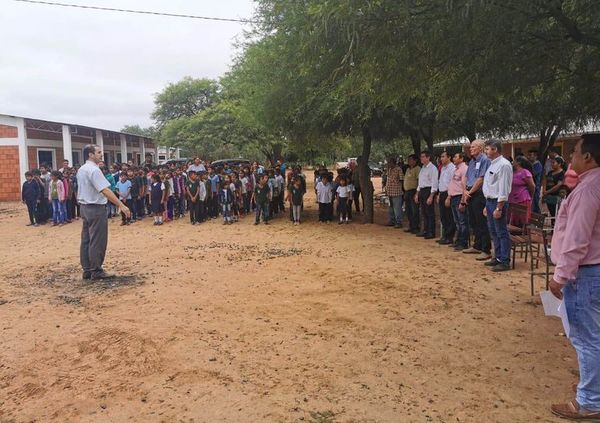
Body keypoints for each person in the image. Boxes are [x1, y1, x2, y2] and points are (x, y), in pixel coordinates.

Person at [548, 133, 600, 420]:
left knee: (586, 338)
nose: (571, 158)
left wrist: (561, 276)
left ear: (588, 157)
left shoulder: (588, 190)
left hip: (585, 273)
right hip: (593, 270)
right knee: (594, 335)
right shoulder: (591, 185)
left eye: (575, 153)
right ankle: (594, 386)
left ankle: (590, 400)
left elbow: (577, 239)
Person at [77, 144, 130, 280]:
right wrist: (121, 205)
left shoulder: (82, 169)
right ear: (90, 154)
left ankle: (87, 269)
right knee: (97, 240)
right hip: (95, 208)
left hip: (84, 207)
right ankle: (96, 270)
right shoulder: (94, 170)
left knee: (86, 239)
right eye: (99, 152)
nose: (101, 154)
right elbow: (105, 190)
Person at [481, 139, 513, 272]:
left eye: (487, 149)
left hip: (498, 202)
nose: (486, 151)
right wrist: (486, 205)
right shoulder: (492, 164)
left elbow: (503, 188)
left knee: (501, 231)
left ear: (495, 149)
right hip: (490, 201)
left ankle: (505, 260)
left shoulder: (504, 165)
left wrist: (499, 207)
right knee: (493, 231)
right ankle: (498, 257)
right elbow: (490, 185)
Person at [462, 139, 492, 261]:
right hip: (469, 192)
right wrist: (465, 190)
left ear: (480, 148)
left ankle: (486, 249)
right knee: (473, 221)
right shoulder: (472, 162)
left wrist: (470, 191)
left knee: (481, 222)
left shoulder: (485, 160)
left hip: (478, 193)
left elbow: (481, 179)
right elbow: (466, 177)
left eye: (473, 147)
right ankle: (477, 245)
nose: (471, 149)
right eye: (471, 147)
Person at [414, 151, 438, 239]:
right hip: (422, 191)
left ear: (428, 158)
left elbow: (434, 183)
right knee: (424, 212)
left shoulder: (433, 168)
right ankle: (425, 230)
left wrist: (431, 196)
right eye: (421, 157)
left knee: (430, 212)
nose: (421, 158)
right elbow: (420, 182)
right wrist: (417, 193)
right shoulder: (423, 168)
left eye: (423, 157)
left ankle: (431, 232)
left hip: (429, 190)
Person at [449, 152, 469, 250]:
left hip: (459, 197)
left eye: (455, 157)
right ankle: (458, 241)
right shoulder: (456, 169)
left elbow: (464, 186)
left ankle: (463, 242)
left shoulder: (464, 169)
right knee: (457, 221)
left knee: (462, 221)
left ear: (461, 159)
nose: (453, 158)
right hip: (453, 197)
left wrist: (463, 201)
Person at [508, 156, 535, 227]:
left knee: (523, 221)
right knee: (513, 221)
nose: (512, 162)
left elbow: (532, 186)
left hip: (522, 199)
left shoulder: (525, 172)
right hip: (512, 199)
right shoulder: (512, 172)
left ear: (519, 162)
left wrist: (530, 196)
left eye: (514, 161)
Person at [437, 151, 456, 244]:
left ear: (449, 157)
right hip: (442, 193)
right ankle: (445, 236)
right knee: (443, 216)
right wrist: (439, 194)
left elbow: (452, 183)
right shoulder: (443, 168)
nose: (441, 158)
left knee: (449, 216)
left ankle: (449, 237)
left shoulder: (452, 168)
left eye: (443, 156)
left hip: (449, 193)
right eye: (441, 157)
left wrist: (448, 197)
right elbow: (441, 182)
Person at [385, 157, 404, 229]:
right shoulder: (389, 170)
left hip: (396, 192)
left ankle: (398, 222)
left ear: (393, 163)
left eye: (389, 162)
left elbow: (401, 180)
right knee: (391, 207)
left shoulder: (398, 169)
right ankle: (391, 221)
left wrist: (401, 189)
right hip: (390, 192)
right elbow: (388, 180)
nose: (388, 164)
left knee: (397, 208)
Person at [403, 154, 421, 234]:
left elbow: (418, 181)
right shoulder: (407, 169)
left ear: (415, 160)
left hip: (413, 191)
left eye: (410, 160)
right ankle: (411, 225)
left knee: (415, 210)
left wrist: (417, 193)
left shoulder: (417, 169)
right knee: (408, 210)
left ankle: (416, 227)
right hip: (407, 191)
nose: (408, 161)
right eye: (408, 160)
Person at [527, 149, 543, 213]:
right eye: (529, 155)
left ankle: (538, 218)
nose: (529, 157)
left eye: (531, 155)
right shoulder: (530, 164)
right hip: (529, 187)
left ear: (535, 156)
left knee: (535, 204)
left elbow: (533, 174)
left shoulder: (538, 165)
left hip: (535, 187)